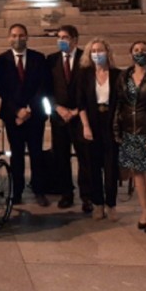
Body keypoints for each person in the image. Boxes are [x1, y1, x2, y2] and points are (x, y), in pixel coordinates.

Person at [113, 40, 146, 233]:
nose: (140, 53)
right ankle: (144, 211)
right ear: (130, 54)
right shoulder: (124, 77)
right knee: (136, 172)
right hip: (129, 132)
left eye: (144, 50)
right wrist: (117, 129)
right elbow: (120, 104)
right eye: (136, 50)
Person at [0, 23, 50, 206]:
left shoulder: (38, 58)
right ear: (9, 37)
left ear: (27, 36)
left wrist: (28, 109)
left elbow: (42, 87)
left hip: (34, 115)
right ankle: (16, 191)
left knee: (36, 153)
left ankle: (39, 189)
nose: (17, 38)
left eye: (21, 35)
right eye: (14, 35)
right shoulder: (1, 60)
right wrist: (17, 111)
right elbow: (2, 89)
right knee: (16, 155)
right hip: (13, 116)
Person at [47, 25, 91, 212]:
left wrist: (75, 111)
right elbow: (46, 90)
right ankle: (66, 193)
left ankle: (86, 196)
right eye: (59, 37)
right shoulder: (51, 60)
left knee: (84, 157)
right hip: (59, 117)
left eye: (65, 37)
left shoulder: (86, 60)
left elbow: (90, 90)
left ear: (75, 39)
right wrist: (57, 108)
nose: (61, 40)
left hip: (80, 116)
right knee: (61, 156)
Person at [77, 37, 121, 221]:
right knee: (93, 166)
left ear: (107, 52)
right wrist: (86, 126)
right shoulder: (85, 75)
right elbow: (80, 103)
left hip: (111, 123)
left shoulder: (118, 74)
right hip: (92, 123)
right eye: (93, 51)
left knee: (111, 167)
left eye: (100, 50)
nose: (97, 54)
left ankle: (111, 204)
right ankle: (98, 204)